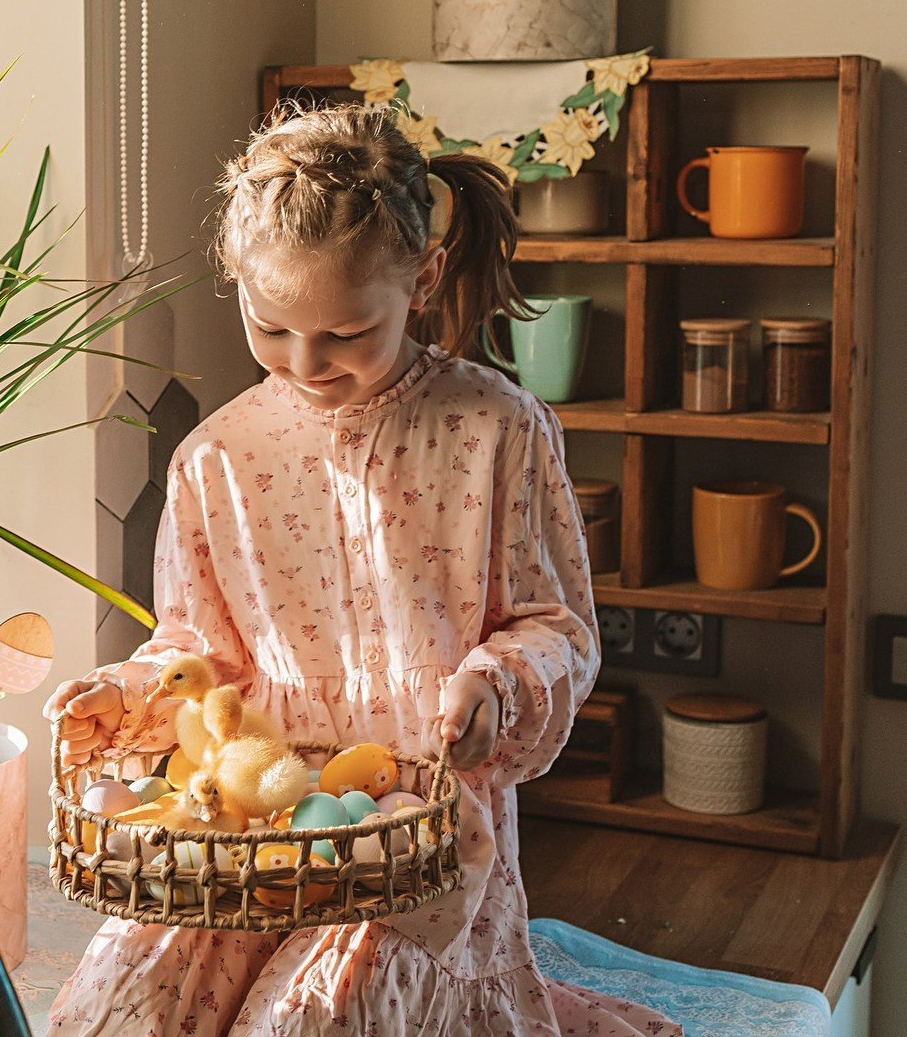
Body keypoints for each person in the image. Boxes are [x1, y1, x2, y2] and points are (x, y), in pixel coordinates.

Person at [44, 103, 681, 1037]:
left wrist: (495, 685)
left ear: (422, 281)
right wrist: (132, 694)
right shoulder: (215, 457)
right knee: (118, 1011)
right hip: (250, 829)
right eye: (272, 329)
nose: (306, 364)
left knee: (311, 1021)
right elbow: (197, 651)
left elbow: (557, 626)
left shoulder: (496, 429)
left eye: (344, 334)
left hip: (420, 841)